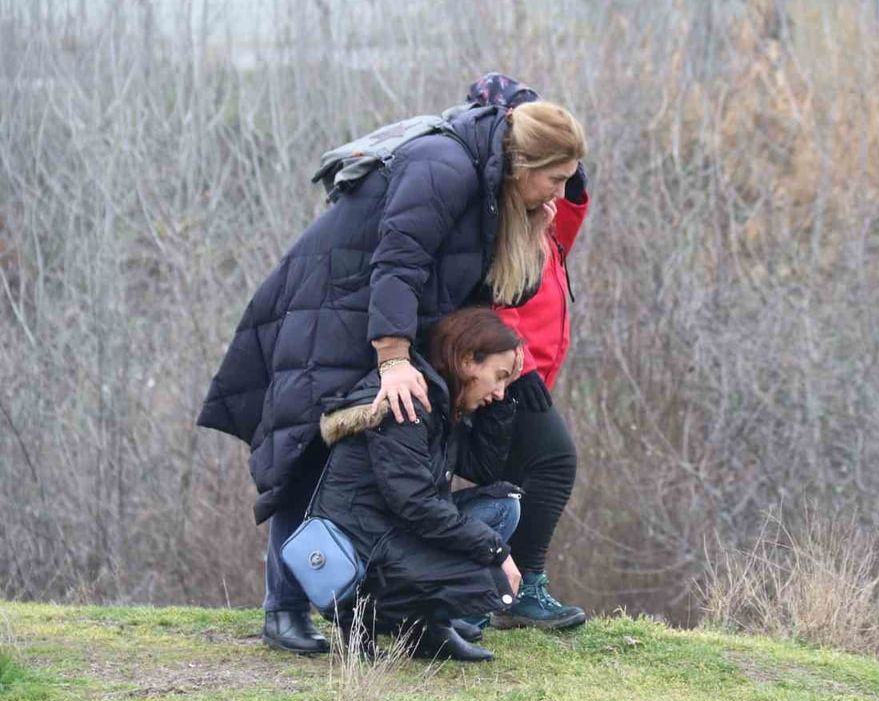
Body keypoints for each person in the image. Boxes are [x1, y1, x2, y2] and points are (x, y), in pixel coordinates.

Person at [197, 94, 587, 654]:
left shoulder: (492, 191)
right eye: (554, 179)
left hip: (379, 319)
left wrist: (530, 232)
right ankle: (284, 611)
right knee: (310, 455)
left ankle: (412, 621)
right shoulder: (445, 166)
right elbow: (397, 263)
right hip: (330, 314)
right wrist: (394, 358)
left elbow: (495, 293)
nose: (559, 192)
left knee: (400, 466)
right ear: (523, 163)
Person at [312, 307, 525, 662]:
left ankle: (427, 628)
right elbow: (416, 505)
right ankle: (364, 615)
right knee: (485, 574)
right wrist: (495, 551)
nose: (501, 391)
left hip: (394, 530)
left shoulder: (441, 400)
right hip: (364, 551)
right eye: (499, 377)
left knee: (502, 507)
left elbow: (485, 469)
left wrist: (501, 406)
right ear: (469, 361)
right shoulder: (406, 404)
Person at [462, 73, 591, 630]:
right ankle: (527, 588)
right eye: (555, 177)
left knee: (511, 479)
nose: (563, 192)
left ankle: (494, 592)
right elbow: (493, 294)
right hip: (509, 369)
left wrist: (570, 172)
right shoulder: (498, 211)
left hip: (529, 368)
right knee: (554, 461)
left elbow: (566, 223)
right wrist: (521, 365)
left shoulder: (539, 214)